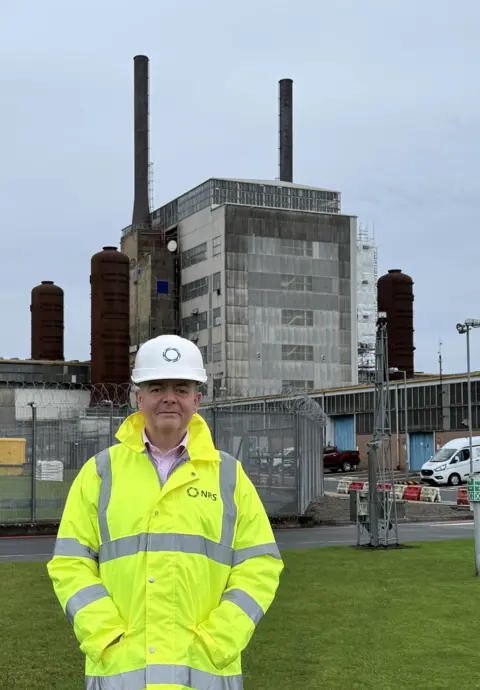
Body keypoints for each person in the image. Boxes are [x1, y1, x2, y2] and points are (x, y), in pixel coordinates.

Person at [47, 334, 284, 690]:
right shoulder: (100, 473)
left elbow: (259, 565)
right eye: (157, 387)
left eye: (181, 388)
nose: (169, 397)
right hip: (122, 671)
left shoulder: (229, 476)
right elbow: (70, 563)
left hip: (203, 670)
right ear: (139, 397)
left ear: (197, 399)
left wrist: (222, 636)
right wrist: (105, 633)